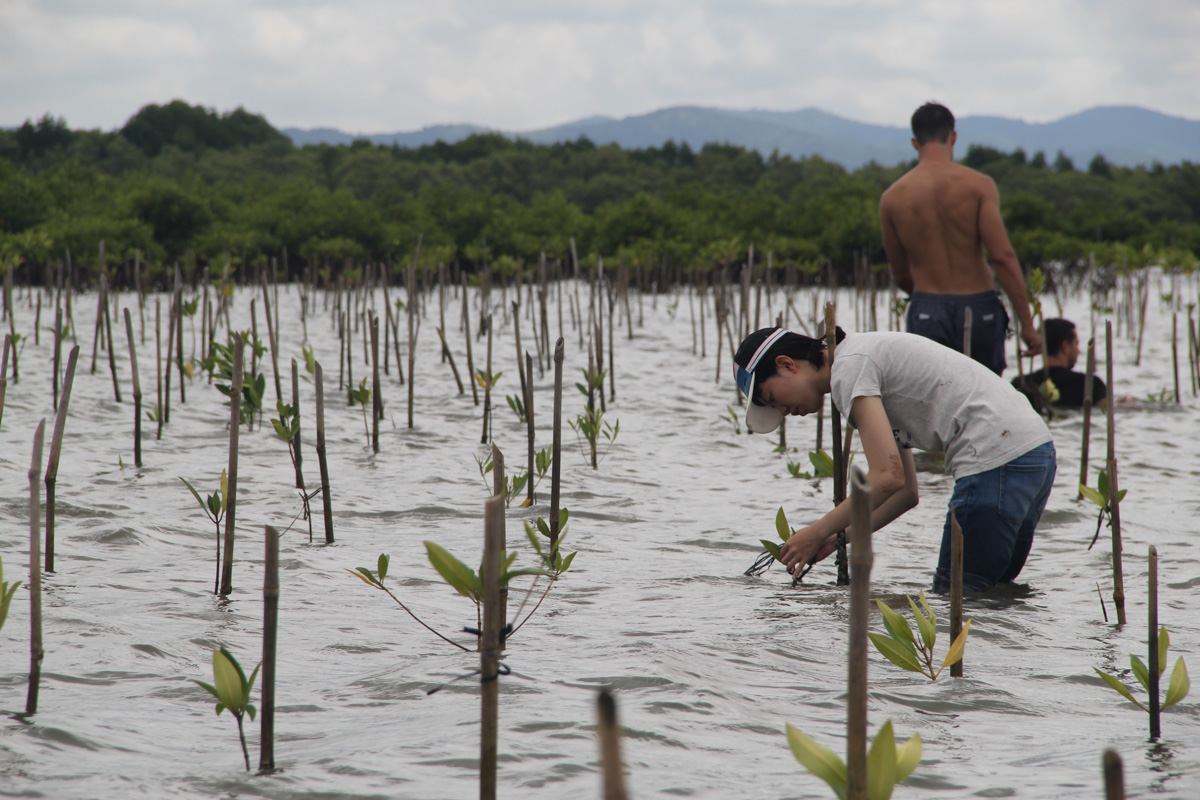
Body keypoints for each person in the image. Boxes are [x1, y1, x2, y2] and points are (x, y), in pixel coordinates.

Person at [733, 326, 1056, 593]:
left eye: (773, 399)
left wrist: (815, 531)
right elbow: (905, 492)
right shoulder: (860, 358)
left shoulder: (849, 368)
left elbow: (886, 476)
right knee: (991, 597)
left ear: (787, 364)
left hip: (994, 457)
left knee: (957, 600)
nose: (783, 412)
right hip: (1034, 453)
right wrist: (835, 539)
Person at [879, 101, 1043, 374]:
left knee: (932, 395)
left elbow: (901, 274)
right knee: (984, 394)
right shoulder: (978, 186)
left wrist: (929, 301)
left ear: (914, 142)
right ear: (953, 137)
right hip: (979, 306)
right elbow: (1002, 257)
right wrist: (1026, 324)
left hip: (927, 308)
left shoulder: (892, 198)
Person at [1011, 318, 1107, 408]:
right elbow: (1103, 412)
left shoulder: (1020, 384)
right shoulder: (1091, 384)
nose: (1078, 351)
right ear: (1065, 346)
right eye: (1076, 344)